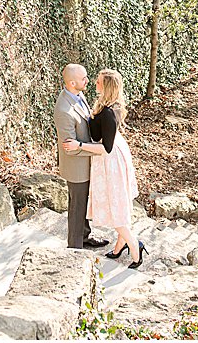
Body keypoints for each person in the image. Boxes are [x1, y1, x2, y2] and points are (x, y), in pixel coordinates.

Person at [62, 69, 145, 269]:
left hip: (111, 160)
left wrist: (79, 146)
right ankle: (119, 245)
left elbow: (106, 148)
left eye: (98, 81)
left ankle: (135, 248)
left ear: (106, 86)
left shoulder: (108, 113)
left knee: (114, 206)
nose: (93, 83)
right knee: (115, 203)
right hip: (108, 157)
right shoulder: (105, 104)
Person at [53, 63, 108, 251]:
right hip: (76, 167)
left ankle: (84, 237)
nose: (87, 80)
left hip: (86, 161)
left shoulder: (78, 94)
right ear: (71, 82)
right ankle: (75, 249)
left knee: (84, 204)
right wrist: (96, 148)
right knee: (77, 208)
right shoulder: (63, 110)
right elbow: (70, 148)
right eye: (83, 78)